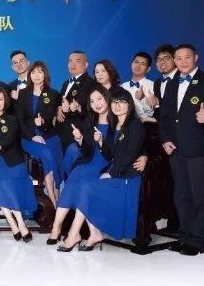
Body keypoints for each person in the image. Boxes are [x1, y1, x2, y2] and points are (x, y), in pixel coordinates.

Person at [57, 88, 145, 252]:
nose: (117, 105)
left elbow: (130, 153)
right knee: (85, 186)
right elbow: (110, 154)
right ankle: (90, 234)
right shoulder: (114, 124)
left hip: (126, 177)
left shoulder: (134, 124)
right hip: (114, 172)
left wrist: (111, 173)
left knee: (87, 188)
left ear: (130, 104)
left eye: (122, 102)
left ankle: (74, 235)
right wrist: (101, 142)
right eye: (114, 102)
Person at [159, 44, 204, 256]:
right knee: (181, 194)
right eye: (178, 58)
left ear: (196, 57)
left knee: (199, 194)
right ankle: (184, 236)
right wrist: (165, 139)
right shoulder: (171, 83)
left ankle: (197, 241)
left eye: (187, 57)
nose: (183, 62)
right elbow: (164, 116)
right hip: (175, 147)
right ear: (174, 61)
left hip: (198, 146)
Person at [47, 85, 114, 244]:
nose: (97, 104)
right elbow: (87, 150)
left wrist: (101, 141)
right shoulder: (90, 121)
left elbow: (113, 153)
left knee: (82, 178)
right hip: (90, 160)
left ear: (107, 99)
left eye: (99, 99)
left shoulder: (116, 122)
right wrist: (80, 139)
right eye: (92, 101)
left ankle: (74, 232)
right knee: (75, 174)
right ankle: (56, 226)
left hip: (106, 163)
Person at [0, 87, 36, 242]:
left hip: (11, 161)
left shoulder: (12, 119)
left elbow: (9, 138)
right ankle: (14, 223)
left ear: (5, 101)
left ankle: (19, 222)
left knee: (8, 186)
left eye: (0, 99)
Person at [16, 61, 62, 207]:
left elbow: (49, 119)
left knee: (55, 153)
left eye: (40, 72)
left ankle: (56, 193)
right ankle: (53, 200)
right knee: (47, 153)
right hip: (28, 136)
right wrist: (32, 135)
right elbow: (20, 119)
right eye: (33, 72)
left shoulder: (53, 93)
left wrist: (42, 122)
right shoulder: (23, 93)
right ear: (30, 75)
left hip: (49, 134)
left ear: (45, 74)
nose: (36, 75)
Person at [56, 51, 95, 153]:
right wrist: (57, 108)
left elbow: (84, 107)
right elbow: (60, 101)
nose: (72, 64)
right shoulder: (66, 82)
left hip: (76, 133)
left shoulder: (90, 83)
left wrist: (70, 108)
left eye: (77, 61)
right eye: (70, 61)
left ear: (86, 65)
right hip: (61, 132)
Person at [120, 51, 155, 121]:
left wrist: (142, 98)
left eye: (143, 63)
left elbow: (151, 112)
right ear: (131, 65)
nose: (138, 66)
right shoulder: (122, 87)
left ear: (148, 69)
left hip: (145, 124)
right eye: (136, 62)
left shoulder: (153, 85)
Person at [148, 44, 178, 119]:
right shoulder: (157, 83)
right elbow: (159, 111)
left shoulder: (184, 78)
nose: (162, 62)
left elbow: (183, 106)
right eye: (158, 59)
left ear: (175, 59)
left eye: (166, 58)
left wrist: (158, 102)